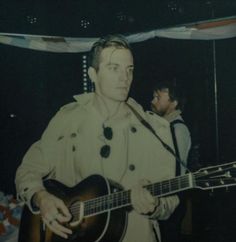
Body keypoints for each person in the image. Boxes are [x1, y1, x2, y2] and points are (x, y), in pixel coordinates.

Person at [15, 35, 179, 242]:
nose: (124, 78)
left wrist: (155, 205)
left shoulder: (156, 129)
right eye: (113, 68)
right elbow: (28, 170)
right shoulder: (67, 118)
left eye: (129, 69)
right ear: (93, 74)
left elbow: (170, 201)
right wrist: (41, 197)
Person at [151, 80, 191, 242]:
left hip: (170, 200)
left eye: (157, 97)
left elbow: (174, 171)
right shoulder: (166, 127)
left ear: (173, 103)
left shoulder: (177, 129)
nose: (152, 101)